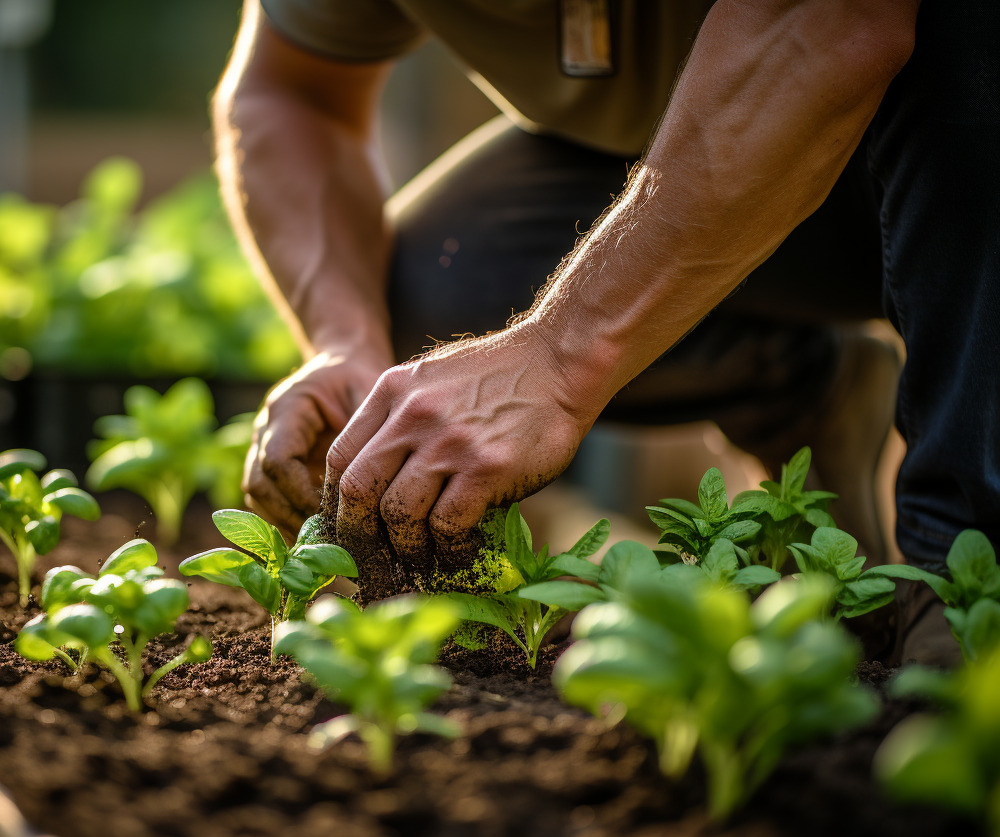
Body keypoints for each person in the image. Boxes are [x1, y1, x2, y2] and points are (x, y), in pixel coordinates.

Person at [210, 0, 998, 666]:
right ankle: (802, 386)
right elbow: (289, 92)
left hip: (952, 152)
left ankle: (969, 569)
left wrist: (556, 357)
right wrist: (349, 343)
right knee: (439, 294)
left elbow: (832, 22)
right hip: (754, 176)